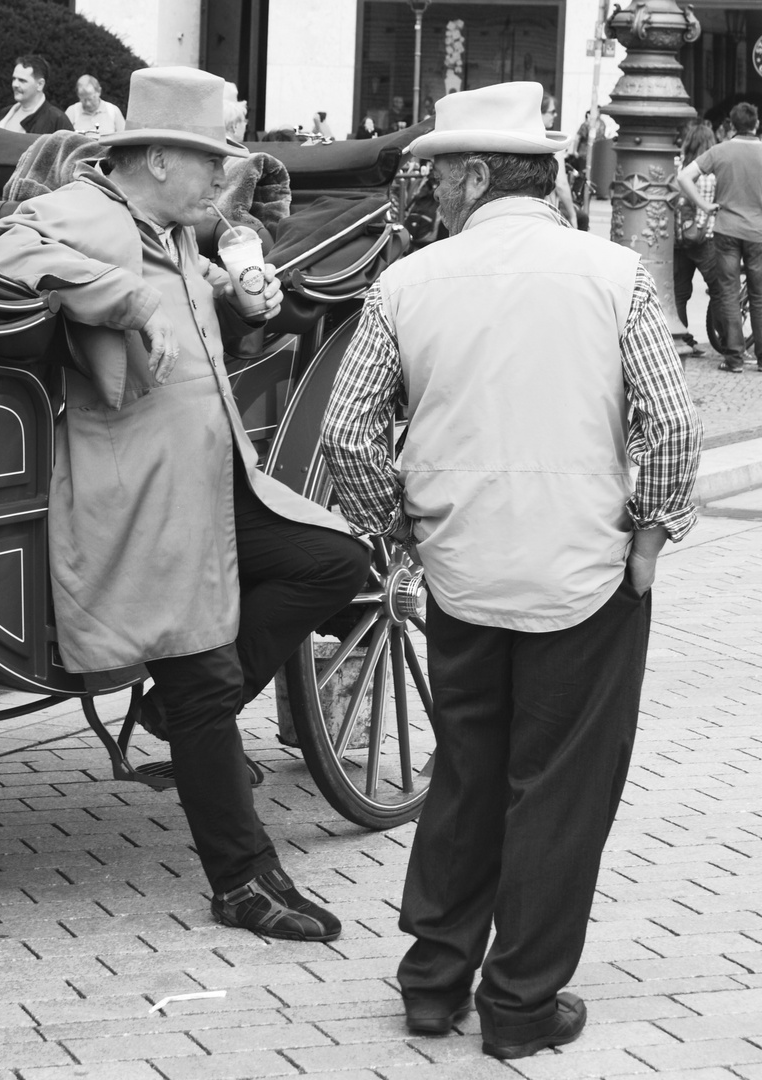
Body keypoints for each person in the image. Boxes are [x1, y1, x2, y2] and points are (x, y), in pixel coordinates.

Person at [321, 81, 701, 1059]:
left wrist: (396, 532)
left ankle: (432, 980)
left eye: (441, 176)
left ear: (479, 173)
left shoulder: (405, 283)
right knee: (559, 786)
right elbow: (668, 423)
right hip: (585, 569)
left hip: (460, 572)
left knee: (467, 770)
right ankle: (522, 1002)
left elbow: (346, 433)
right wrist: (652, 531)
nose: (434, 194)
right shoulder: (612, 274)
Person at [0, 67, 369, 942]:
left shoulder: (173, 228)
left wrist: (237, 300)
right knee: (207, 674)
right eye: (210, 162)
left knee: (335, 563)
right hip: (145, 501)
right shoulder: (82, 213)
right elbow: (3, 257)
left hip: (218, 480)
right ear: (156, 158)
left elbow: (179, 338)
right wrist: (122, 294)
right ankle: (243, 879)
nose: (224, 180)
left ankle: (173, 716)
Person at [677, 101, 762, 373]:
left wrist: (704, 205)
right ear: (756, 124)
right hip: (758, 232)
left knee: (727, 293)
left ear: (731, 126)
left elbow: (684, 177)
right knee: (759, 296)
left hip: (726, 230)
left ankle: (734, 358)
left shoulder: (720, 150)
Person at [673, 121, 720, 356]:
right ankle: (728, 342)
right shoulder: (713, 172)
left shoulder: (676, 166)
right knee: (719, 290)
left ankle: (681, 338)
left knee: (679, 293)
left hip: (680, 238)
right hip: (706, 237)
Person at [0, 55, 73, 134]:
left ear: (40, 84)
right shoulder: (4, 114)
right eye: (14, 79)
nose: (15, 84)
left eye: (22, 80)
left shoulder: (57, 120)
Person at [541, 93, 578, 228]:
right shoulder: (554, 144)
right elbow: (561, 184)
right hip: (546, 215)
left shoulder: (518, 140)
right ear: (540, 113)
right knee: (582, 218)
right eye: (552, 112)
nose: (555, 115)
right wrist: (572, 215)